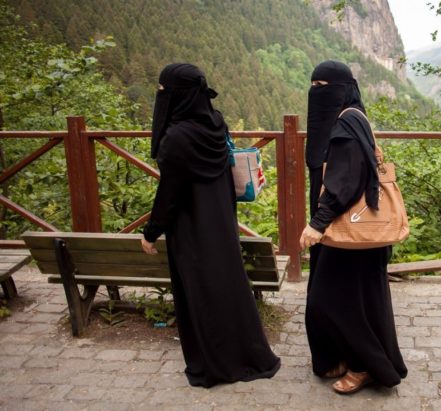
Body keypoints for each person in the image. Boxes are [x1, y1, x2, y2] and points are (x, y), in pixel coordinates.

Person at [140, 63, 280, 388]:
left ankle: (215, 363)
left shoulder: (176, 138)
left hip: (191, 230)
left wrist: (151, 232)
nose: (160, 97)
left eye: (164, 91)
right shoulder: (216, 124)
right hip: (221, 223)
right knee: (228, 289)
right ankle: (247, 353)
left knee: (200, 295)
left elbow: (169, 195)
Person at [299, 60, 407, 394]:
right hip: (356, 232)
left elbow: (345, 180)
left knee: (332, 300)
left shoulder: (344, 127)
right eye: (313, 85)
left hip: (348, 231)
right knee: (358, 299)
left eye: (323, 86)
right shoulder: (352, 118)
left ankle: (365, 367)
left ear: (342, 89)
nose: (317, 92)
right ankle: (351, 356)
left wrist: (317, 223)